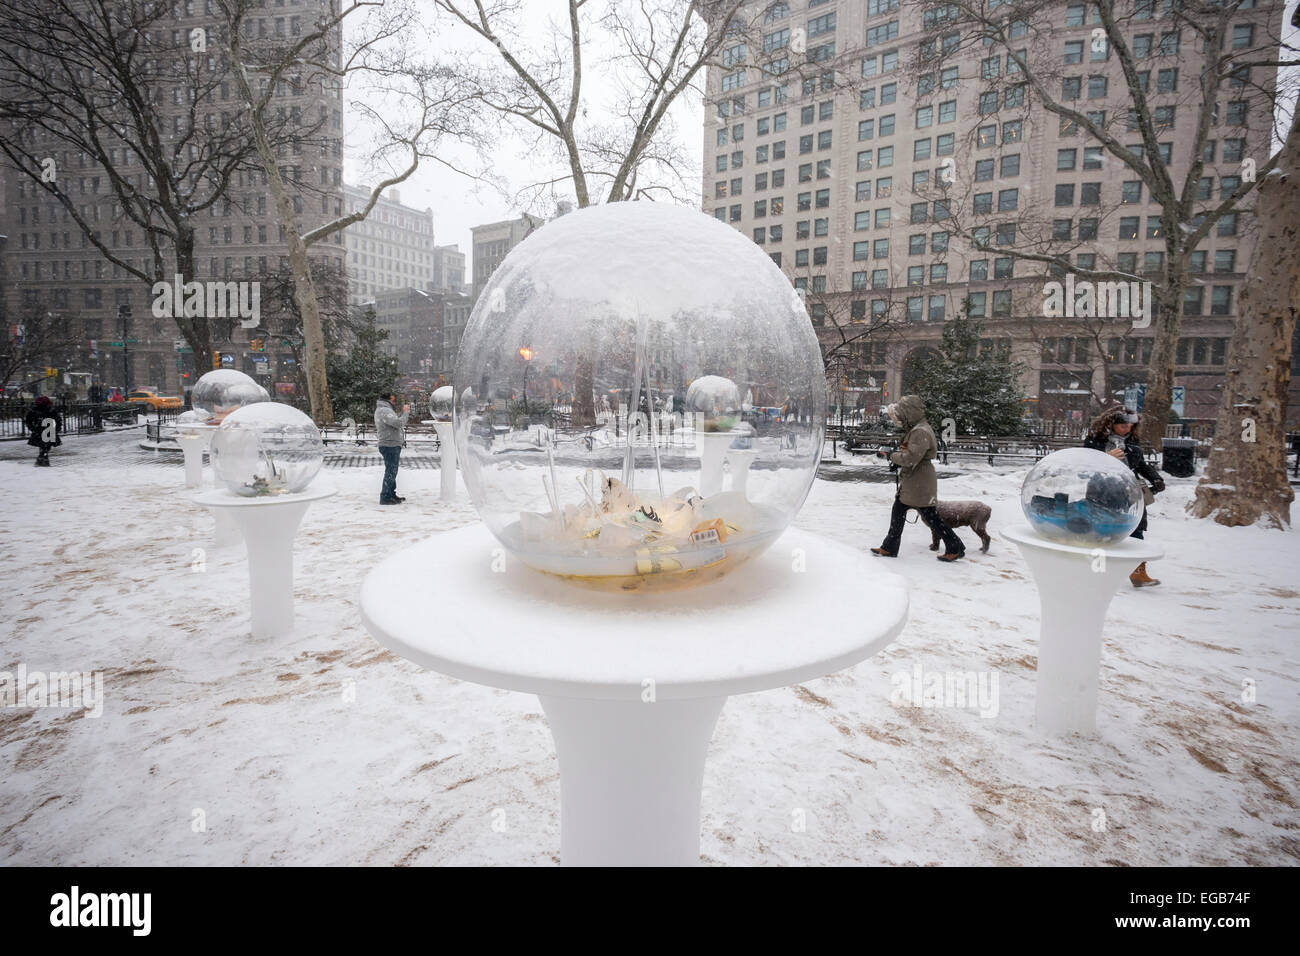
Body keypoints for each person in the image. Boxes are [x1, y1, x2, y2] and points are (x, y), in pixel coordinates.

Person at [871, 394, 967, 561]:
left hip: (919, 481)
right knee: (900, 511)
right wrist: (897, 457)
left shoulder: (920, 431)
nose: (899, 418)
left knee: (931, 517)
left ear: (909, 413)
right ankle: (889, 547)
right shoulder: (918, 428)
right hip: (915, 480)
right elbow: (911, 454)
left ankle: (955, 546)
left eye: (902, 413)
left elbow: (910, 458)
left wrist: (891, 456)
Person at [1084, 404, 1165, 587]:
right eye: (1122, 425)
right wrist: (1106, 457)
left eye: (1130, 425)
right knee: (1102, 530)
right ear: (1111, 423)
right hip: (1102, 491)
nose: (1127, 429)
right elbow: (1085, 464)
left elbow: (1141, 464)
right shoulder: (1094, 440)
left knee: (1136, 528)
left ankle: (1138, 572)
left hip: (1129, 492)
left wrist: (1155, 478)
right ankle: (1097, 571)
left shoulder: (1132, 441)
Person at [374, 391, 410, 505]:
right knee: (391, 471)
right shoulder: (384, 410)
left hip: (391, 444)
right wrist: (405, 413)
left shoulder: (384, 410)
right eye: (393, 400)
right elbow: (398, 423)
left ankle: (391, 494)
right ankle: (385, 497)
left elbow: (393, 423)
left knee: (392, 471)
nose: (394, 402)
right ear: (388, 400)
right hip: (389, 444)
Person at [25, 395, 63, 467]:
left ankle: (41, 460)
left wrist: (33, 428)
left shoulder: (35, 410)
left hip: (42, 430)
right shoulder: (49, 410)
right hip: (46, 430)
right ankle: (44, 460)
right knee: (45, 446)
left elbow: (28, 420)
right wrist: (57, 429)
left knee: (44, 446)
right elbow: (58, 420)